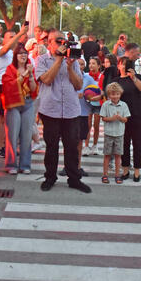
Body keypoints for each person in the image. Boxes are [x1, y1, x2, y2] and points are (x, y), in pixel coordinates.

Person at [35, 28, 90, 193]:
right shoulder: (42, 59)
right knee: (51, 147)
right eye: (58, 41)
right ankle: (50, 177)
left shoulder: (72, 60)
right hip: (51, 109)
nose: (62, 44)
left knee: (72, 147)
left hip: (71, 110)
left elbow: (79, 85)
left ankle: (74, 179)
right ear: (49, 43)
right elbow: (46, 79)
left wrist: (70, 67)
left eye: (63, 41)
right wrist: (58, 60)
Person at [2, 46, 37, 174]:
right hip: (14, 104)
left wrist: (31, 76)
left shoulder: (30, 69)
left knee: (27, 135)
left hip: (27, 102)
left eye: (25, 53)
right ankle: (11, 164)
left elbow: (33, 89)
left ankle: (25, 164)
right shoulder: (10, 69)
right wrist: (25, 74)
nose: (23, 56)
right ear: (15, 56)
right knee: (12, 134)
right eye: (20, 54)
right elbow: (9, 85)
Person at [99, 82, 129, 183]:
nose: (115, 96)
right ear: (108, 95)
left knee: (118, 155)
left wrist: (120, 118)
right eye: (112, 94)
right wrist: (112, 118)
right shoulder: (106, 105)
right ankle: (105, 174)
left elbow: (126, 119)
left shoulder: (124, 105)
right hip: (109, 133)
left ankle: (117, 174)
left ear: (120, 94)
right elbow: (103, 118)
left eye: (117, 94)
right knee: (107, 155)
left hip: (119, 133)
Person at [85, 57, 104, 154]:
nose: (91, 65)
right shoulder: (86, 76)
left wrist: (98, 97)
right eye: (90, 63)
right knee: (87, 125)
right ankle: (86, 146)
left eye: (93, 63)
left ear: (99, 66)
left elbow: (102, 92)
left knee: (96, 125)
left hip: (98, 104)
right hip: (88, 104)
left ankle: (95, 145)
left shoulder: (101, 77)